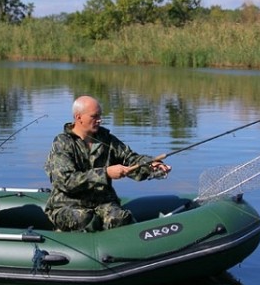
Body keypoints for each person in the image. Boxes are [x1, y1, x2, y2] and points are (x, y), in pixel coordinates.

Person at [44, 96, 171, 232]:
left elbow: (129, 158)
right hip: (67, 204)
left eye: (100, 115)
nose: (100, 120)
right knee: (84, 219)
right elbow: (65, 180)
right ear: (78, 117)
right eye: (94, 116)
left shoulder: (106, 139)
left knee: (120, 218)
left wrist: (151, 165)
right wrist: (105, 173)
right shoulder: (62, 143)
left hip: (102, 203)